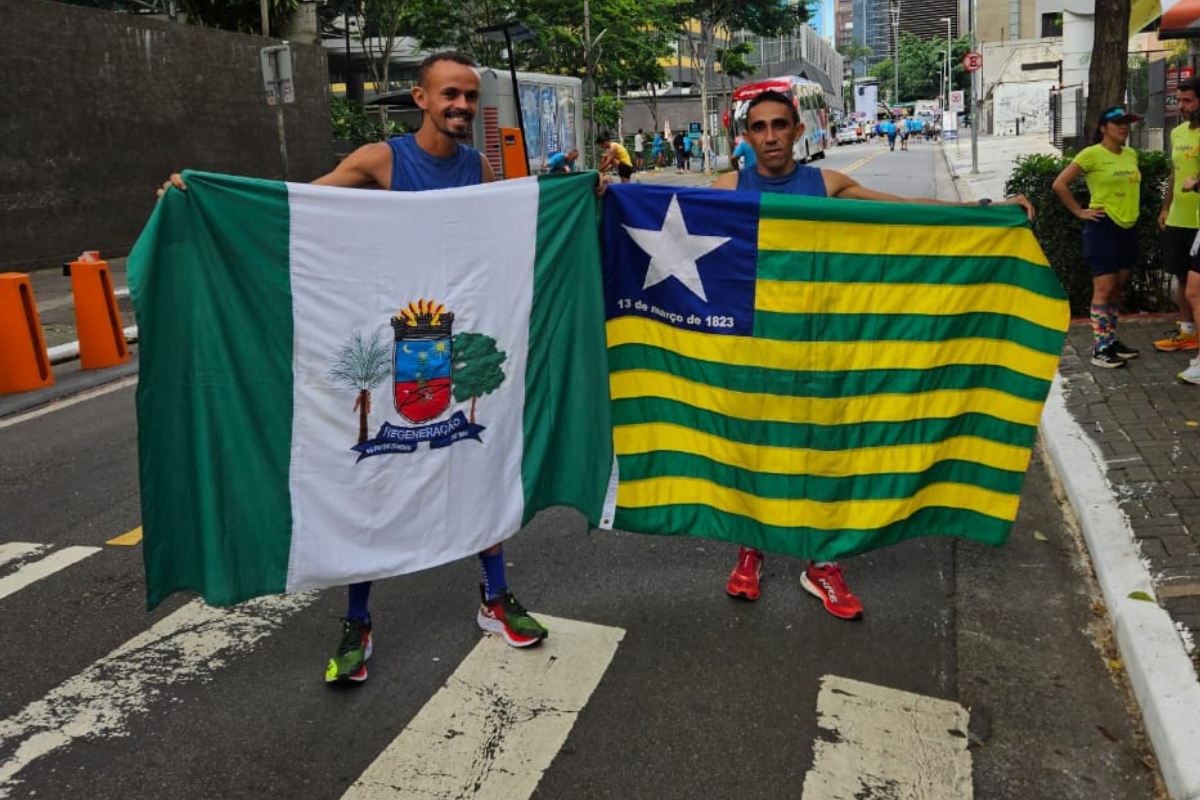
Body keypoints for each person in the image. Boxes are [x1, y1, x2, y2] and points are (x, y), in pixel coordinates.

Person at [159, 52, 563, 684]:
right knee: (371, 476)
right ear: (421, 98)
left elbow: (505, 241)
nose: (461, 105)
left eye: (469, 96)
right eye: (449, 94)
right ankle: (358, 618)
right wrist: (205, 199)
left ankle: (495, 595)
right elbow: (295, 210)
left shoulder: (480, 167)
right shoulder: (382, 160)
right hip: (386, 344)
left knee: (475, 463)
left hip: (451, 346)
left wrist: (584, 192)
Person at [711, 89, 1034, 619]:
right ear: (747, 136)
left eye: (780, 125)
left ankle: (822, 562)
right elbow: (665, 216)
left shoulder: (825, 183)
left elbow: (904, 214)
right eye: (759, 127)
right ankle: (752, 547)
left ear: (797, 130)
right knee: (757, 446)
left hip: (824, 346)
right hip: (757, 345)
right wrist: (609, 194)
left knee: (826, 451)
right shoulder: (730, 187)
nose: (770, 136)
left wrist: (983, 210)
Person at [1052, 105, 1143, 369]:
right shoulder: (1091, 154)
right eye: (1117, 123)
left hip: (1129, 227)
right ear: (1103, 128)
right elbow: (1060, 184)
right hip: (1103, 227)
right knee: (1103, 289)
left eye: (1127, 122)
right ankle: (1100, 348)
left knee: (1117, 287)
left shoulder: (1131, 154)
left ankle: (1111, 341)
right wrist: (1080, 211)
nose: (1124, 127)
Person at [1156, 77, 1200, 353]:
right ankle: (1187, 332)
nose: (1181, 106)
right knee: (1183, 277)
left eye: (1188, 100)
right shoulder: (1178, 133)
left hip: (1198, 220)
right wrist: (1165, 206)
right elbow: (1175, 173)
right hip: (1178, 217)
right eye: (1179, 100)